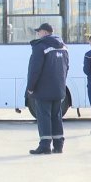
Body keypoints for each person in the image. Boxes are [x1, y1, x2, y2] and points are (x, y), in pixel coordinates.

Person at [27, 23, 70, 154]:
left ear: (44, 32)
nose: (38, 34)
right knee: (56, 116)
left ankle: (45, 145)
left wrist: (30, 87)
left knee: (44, 116)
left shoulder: (40, 46)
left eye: (39, 32)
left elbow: (35, 70)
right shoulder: (63, 47)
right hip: (59, 88)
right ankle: (58, 145)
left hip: (43, 89)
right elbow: (66, 67)